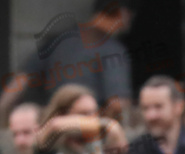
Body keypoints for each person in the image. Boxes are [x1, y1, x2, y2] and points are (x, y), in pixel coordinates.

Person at [0, 0, 134, 124]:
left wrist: (3, 122)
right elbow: (118, 104)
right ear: (122, 13)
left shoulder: (60, 40)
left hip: (55, 129)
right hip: (86, 131)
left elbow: (18, 82)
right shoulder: (112, 49)